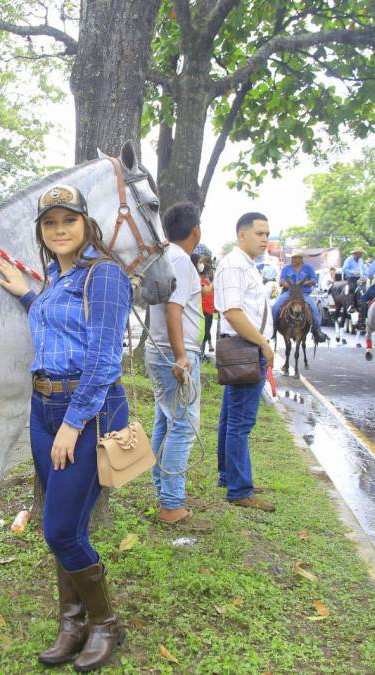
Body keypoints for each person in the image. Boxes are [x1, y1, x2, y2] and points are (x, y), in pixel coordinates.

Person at [0, 184, 130, 671]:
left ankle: (106, 624)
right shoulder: (56, 276)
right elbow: (59, 326)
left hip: (88, 411)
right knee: (63, 524)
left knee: (59, 531)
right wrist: (29, 293)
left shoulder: (106, 275)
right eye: (50, 223)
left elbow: (103, 357)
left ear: (86, 223)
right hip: (43, 408)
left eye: (68, 220)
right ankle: (72, 623)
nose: (59, 230)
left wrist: (74, 424)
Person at [145, 201, 203, 525]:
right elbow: (174, 309)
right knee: (183, 426)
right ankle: (171, 504)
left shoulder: (164, 255)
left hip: (160, 351)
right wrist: (182, 356)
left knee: (165, 423)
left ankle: (164, 494)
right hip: (173, 353)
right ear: (196, 230)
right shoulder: (180, 260)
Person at [214, 212, 276, 512]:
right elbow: (233, 312)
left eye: (267, 234)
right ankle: (239, 488)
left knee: (231, 418)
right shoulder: (234, 265)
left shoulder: (247, 266)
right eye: (259, 233)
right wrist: (263, 343)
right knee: (240, 422)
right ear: (242, 235)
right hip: (246, 349)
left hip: (246, 348)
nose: (265, 239)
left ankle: (230, 477)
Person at [273, 250, 327, 343]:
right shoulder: (286, 268)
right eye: (292, 257)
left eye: (295, 257)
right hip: (289, 293)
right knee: (276, 306)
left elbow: (314, 280)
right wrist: (290, 285)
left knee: (313, 308)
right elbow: (281, 281)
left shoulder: (308, 268)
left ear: (301, 259)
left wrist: (305, 283)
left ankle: (317, 331)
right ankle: (273, 329)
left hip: (303, 293)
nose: (293, 259)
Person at [199, 257, 215, 357]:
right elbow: (206, 291)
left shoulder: (207, 281)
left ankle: (202, 353)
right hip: (203, 311)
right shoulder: (200, 281)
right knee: (204, 333)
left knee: (206, 332)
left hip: (209, 311)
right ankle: (201, 354)